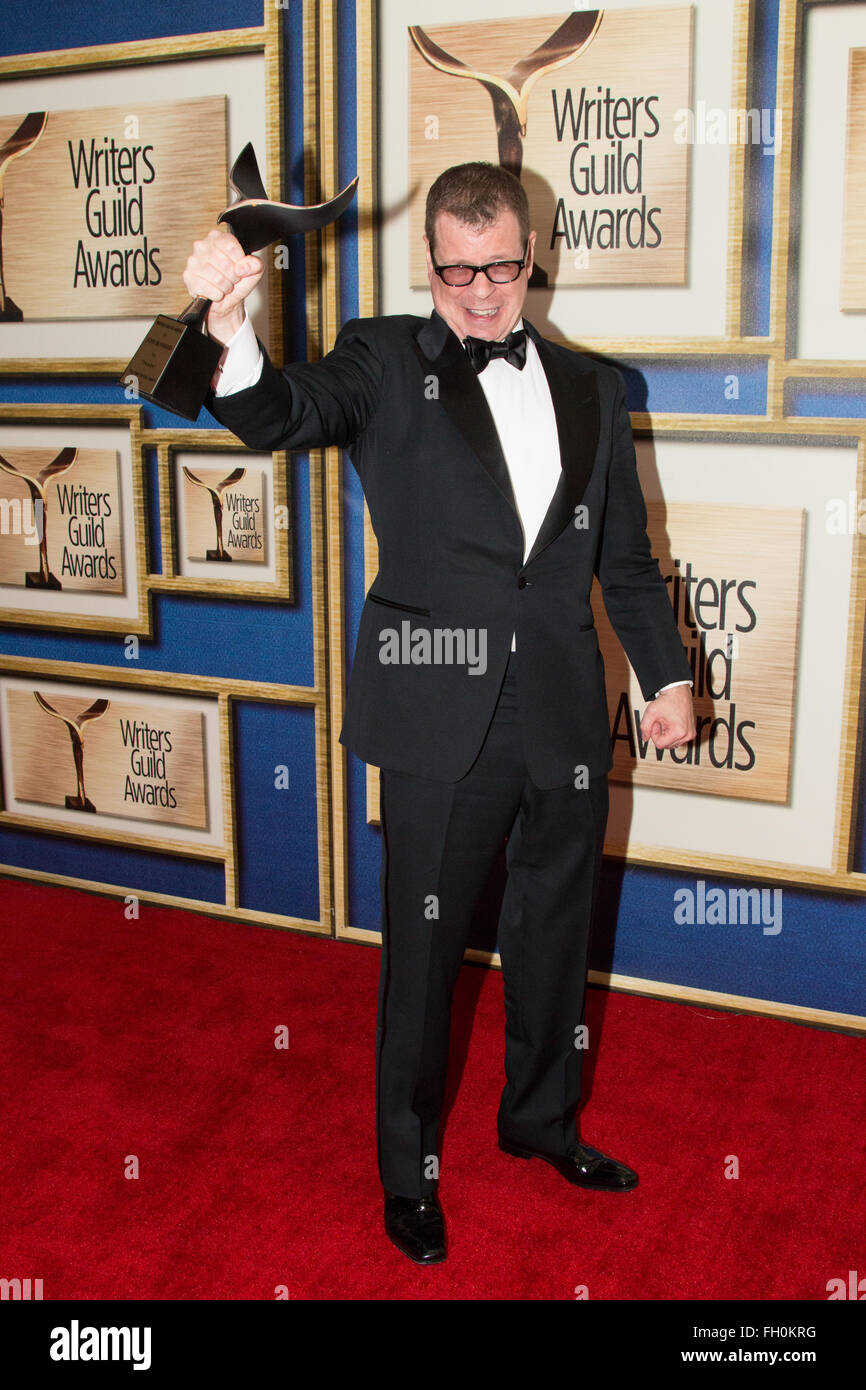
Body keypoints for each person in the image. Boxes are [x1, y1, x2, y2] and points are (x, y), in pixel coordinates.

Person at [183, 161, 696, 1266]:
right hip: (435, 708)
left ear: (528, 257)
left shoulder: (597, 390)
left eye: (498, 268)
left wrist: (663, 677)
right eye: (456, 271)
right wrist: (230, 331)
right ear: (429, 264)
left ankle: (540, 1122)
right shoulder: (380, 358)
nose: (478, 293)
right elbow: (284, 415)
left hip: (560, 705)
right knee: (420, 954)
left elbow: (627, 563)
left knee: (555, 930)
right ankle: (406, 1173)